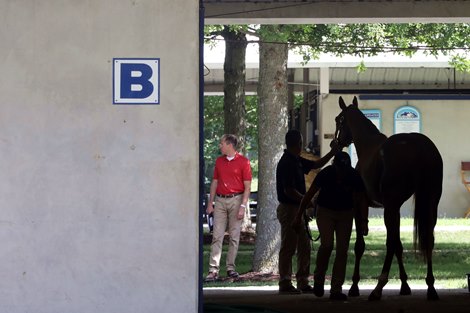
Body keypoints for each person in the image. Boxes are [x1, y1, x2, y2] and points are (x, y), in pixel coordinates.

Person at [297, 151, 368, 301]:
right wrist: (298, 216)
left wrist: (364, 221)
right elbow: (309, 194)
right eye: (339, 169)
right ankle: (319, 279)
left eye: (344, 170)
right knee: (327, 245)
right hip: (326, 212)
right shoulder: (326, 174)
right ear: (334, 166)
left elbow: (362, 199)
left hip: (346, 213)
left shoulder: (354, 175)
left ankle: (336, 289)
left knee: (342, 250)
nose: (341, 173)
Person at [276, 129, 339, 294]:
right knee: (289, 246)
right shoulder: (287, 163)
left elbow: (316, 165)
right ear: (299, 143)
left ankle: (302, 281)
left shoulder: (296, 160)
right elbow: (288, 190)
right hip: (289, 208)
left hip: (297, 208)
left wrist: (334, 151)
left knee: (304, 246)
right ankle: (285, 282)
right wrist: (306, 200)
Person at [204, 134, 252, 282]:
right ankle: (213, 270)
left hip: (237, 200)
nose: (220, 146)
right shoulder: (219, 161)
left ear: (230, 145)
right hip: (220, 200)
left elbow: (247, 187)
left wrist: (243, 206)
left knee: (234, 236)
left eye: (222, 143)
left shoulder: (244, 162)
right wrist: (210, 203)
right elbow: (214, 182)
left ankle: (231, 268)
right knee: (217, 235)